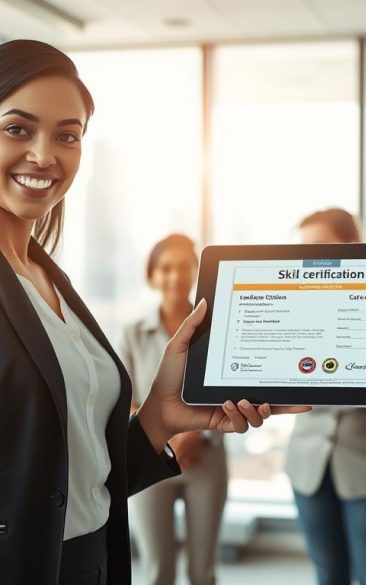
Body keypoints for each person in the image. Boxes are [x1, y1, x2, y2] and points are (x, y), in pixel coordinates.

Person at [0, 40, 307, 585]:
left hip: (88, 566)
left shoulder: (51, 278)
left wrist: (163, 416)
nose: (45, 155)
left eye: (67, 135)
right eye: (19, 129)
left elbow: (79, 484)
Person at [282, 208, 366, 585]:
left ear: (352, 246)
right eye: (302, 249)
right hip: (307, 460)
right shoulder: (295, 304)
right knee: (328, 574)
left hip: (365, 457)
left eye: (317, 246)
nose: (306, 257)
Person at [118, 234, 228, 585]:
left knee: (203, 571)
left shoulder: (216, 328)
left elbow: (226, 390)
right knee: (156, 570)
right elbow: (124, 399)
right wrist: (165, 433)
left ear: (195, 271)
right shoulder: (133, 333)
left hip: (205, 459)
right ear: (152, 276)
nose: (175, 275)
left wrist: (195, 433)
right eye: (165, 268)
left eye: (183, 266)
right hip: (149, 458)